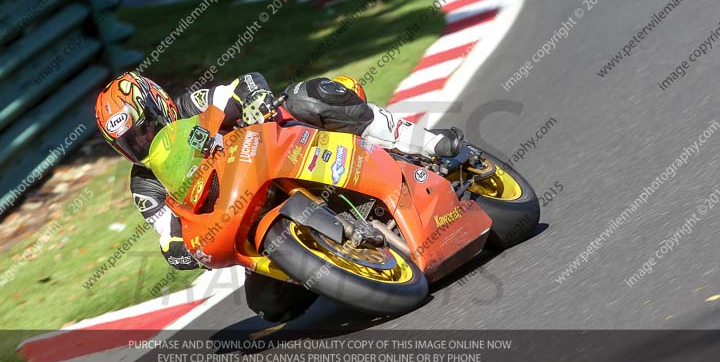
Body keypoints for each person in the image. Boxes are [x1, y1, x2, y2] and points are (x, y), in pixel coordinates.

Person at [95, 72, 463, 319]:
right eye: (131, 143)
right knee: (268, 305)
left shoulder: (193, 104)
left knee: (311, 98)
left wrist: (253, 98)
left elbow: (240, 86)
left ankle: (426, 143)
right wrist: (177, 248)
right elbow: (166, 229)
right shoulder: (144, 182)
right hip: (247, 219)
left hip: (286, 155)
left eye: (144, 130)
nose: (143, 143)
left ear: (158, 106)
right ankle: (340, 265)